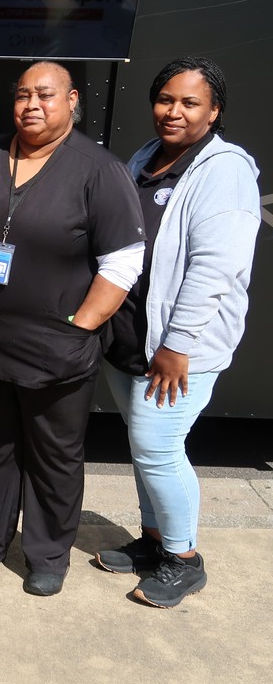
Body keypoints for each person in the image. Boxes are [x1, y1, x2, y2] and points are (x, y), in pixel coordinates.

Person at [0, 60, 145, 596]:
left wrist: (83, 325)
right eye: (23, 94)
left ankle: (48, 554)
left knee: (54, 457)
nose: (32, 104)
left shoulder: (98, 169)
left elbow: (123, 259)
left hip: (58, 348)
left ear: (73, 100)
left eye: (45, 94)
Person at [95, 57, 261, 608]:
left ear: (213, 112)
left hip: (176, 346)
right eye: (166, 99)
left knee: (158, 446)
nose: (174, 111)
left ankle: (183, 560)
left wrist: (177, 344)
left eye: (190, 102)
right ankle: (153, 541)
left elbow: (217, 268)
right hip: (130, 337)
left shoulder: (224, 170)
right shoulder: (146, 158)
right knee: (145, 448)